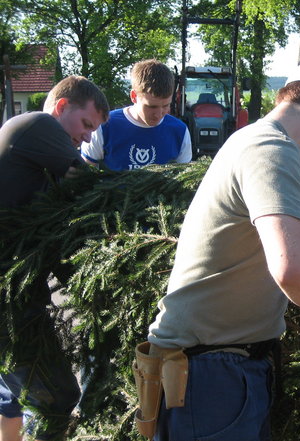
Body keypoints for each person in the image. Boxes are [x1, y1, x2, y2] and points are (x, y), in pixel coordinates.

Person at [141, 60, 300, 441]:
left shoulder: (261, 142)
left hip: (218, 368)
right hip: (211, 376)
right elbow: (294, 271)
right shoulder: (271, 148)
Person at [0, 75, 109, 440]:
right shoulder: (36, 124)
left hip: (17, 301)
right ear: (62, 108)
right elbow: (89, 181)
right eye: (86, 124)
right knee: (56, 399)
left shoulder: (41, 169)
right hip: (7, 306)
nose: (88, 137)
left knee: (31, 397)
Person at [80, 59, 192, 171]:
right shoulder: (104, 125)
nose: (158, 114)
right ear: (134, 96)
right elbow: (86, 173)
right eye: (151, 106)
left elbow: (185, 179)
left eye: (166, 105)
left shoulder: (179, 131)